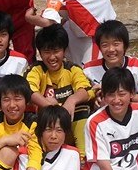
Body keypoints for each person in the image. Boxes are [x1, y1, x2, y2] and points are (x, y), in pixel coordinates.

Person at [82, 20, 138, 144]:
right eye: (105, 45)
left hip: (132, 120)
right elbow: (84, 97)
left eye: (116, 44)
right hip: (104, 121)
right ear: (99, 47)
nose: (111, 49)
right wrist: (94, 99)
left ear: (125, 45)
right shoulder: (88, 69)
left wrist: (123, 96)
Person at [25, 24, 92, 155]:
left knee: (83, 110)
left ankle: (82, 158)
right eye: (47, 52)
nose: (52, 57)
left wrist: (72, 100)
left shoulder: (72, 69)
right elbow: (28, 89)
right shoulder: (36, 70)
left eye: (56, 51)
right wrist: (49, 106)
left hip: (68, 124)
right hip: (44, 123)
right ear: (40, 53)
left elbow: (87, 90)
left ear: (64, 50)